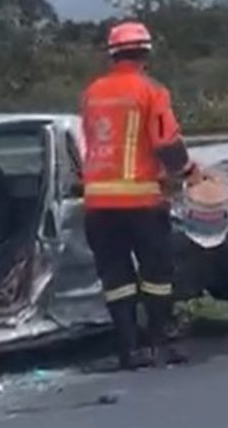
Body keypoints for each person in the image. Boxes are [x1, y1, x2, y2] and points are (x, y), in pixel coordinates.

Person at [80, 20, 202, 369]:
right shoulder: (152, 91)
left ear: (112, 54)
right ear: (146, 53)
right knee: (157, 274)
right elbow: (166, 144)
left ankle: (127, 349)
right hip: (141, 201)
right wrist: (190, 173)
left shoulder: (92, 93)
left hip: (99, 204)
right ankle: (158, 343)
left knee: (114, 275)